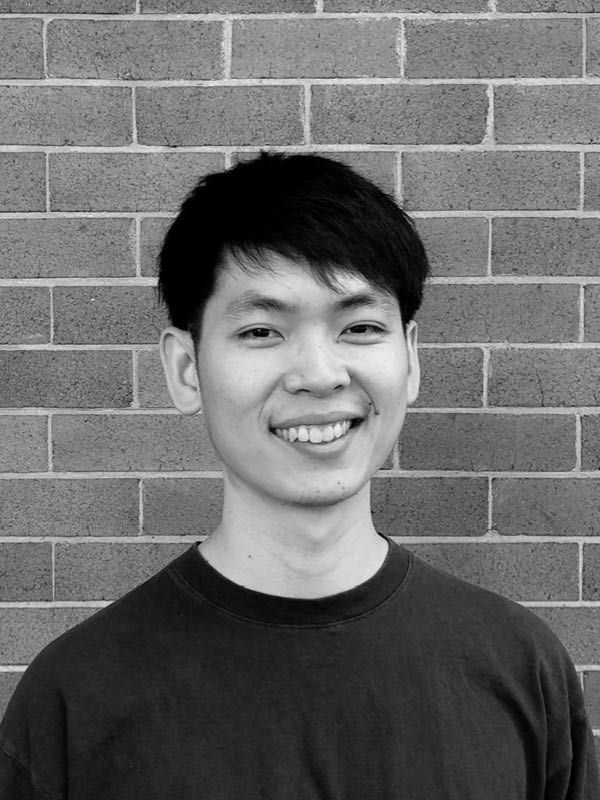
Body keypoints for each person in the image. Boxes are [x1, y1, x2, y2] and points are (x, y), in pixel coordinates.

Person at [0, 152, 598, 800]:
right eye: (262, 331)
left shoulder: (522, 671)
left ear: (410, 357)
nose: (318, 374)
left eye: (360, 327)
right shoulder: (74, 703)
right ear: (186, 369)